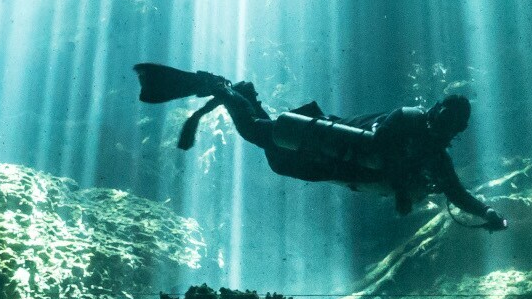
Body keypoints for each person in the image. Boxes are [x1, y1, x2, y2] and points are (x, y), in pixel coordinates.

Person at [134, 63, 507, 230]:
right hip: (318, 141)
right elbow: (380, 143)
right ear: (437, 113)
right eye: (446, 118)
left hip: (322, 164)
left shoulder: (434, 157)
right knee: (253, 133)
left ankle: (242, 93)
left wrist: (487, 212)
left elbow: (458, 194)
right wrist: (402, 190)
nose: (445, 128)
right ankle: (217, 86)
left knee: (272, 153)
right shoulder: (409, 118)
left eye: (454, 125)